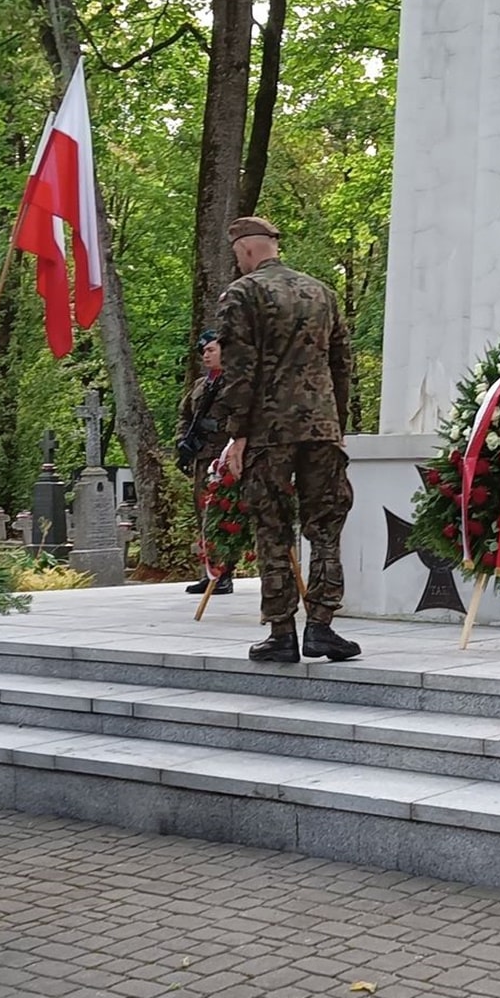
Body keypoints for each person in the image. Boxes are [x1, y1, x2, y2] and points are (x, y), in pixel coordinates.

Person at [214, 216, 362, 664]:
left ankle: (281, 632)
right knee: (326, 528)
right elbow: (341, 362)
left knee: (272, 528)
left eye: (237, 253)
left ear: (246, 249)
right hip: (321, 428)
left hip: (269, 431)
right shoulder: (322, 293)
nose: (238, 261)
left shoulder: (243, 293)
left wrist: (238, 433)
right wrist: (335, 422)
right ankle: (322, 626)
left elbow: (239, 368)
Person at [177, 330, 234, 595]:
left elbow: (242, 415)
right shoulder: (201, 385)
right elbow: (185, 416)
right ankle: (210, 572)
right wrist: (182, 442)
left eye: (211, 350)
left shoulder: (234, 382)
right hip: (203, 459)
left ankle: (225, 574)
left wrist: (219, 428)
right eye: (204, 352)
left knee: (226, 514)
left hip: (226, 458)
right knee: (205, 514)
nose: (206, 355)